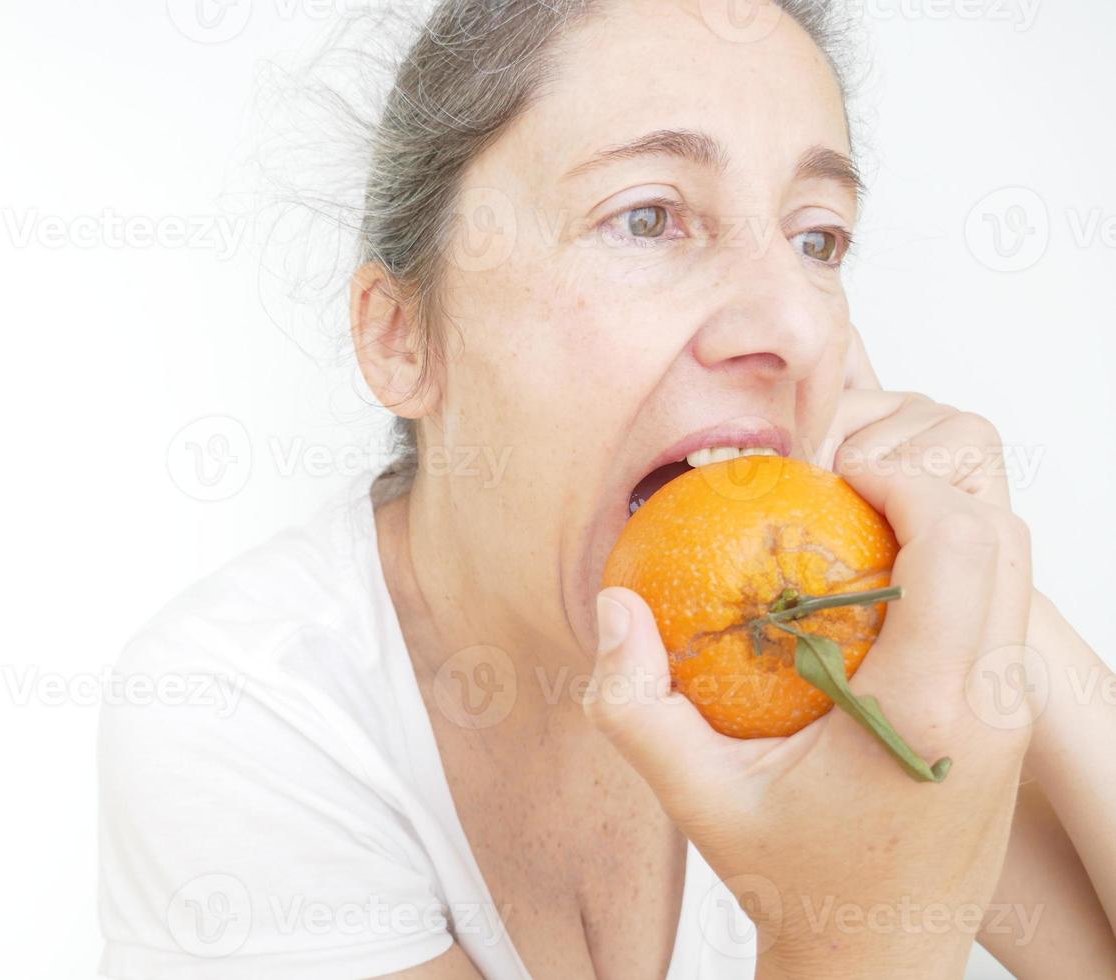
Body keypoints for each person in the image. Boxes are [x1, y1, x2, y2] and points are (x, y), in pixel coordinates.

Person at [97, 1, 1116, 976]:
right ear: (400, 337)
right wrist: (864, 942)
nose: (800, 330)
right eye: (647, 217)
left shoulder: (818, 640)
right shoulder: (238, 711)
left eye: (815, 239)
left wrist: (981, 581)